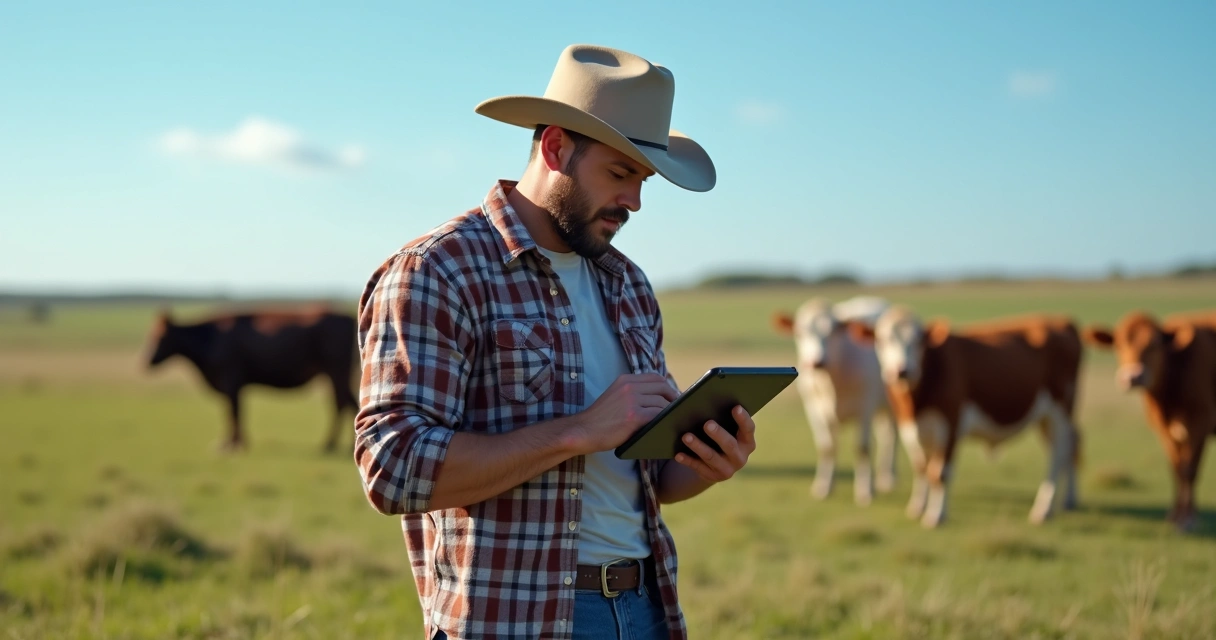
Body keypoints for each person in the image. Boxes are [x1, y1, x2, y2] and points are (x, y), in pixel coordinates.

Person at [354, 43, 757, 640]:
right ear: (553, 148)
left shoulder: (630, 285)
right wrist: (577, 431)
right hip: (510, 620)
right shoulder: (438, 271)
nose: (635, 202)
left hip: (646, 609)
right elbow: (391, 468)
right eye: (620, 174)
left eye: (643, 180)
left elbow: (644, 484)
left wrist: (706, 465)